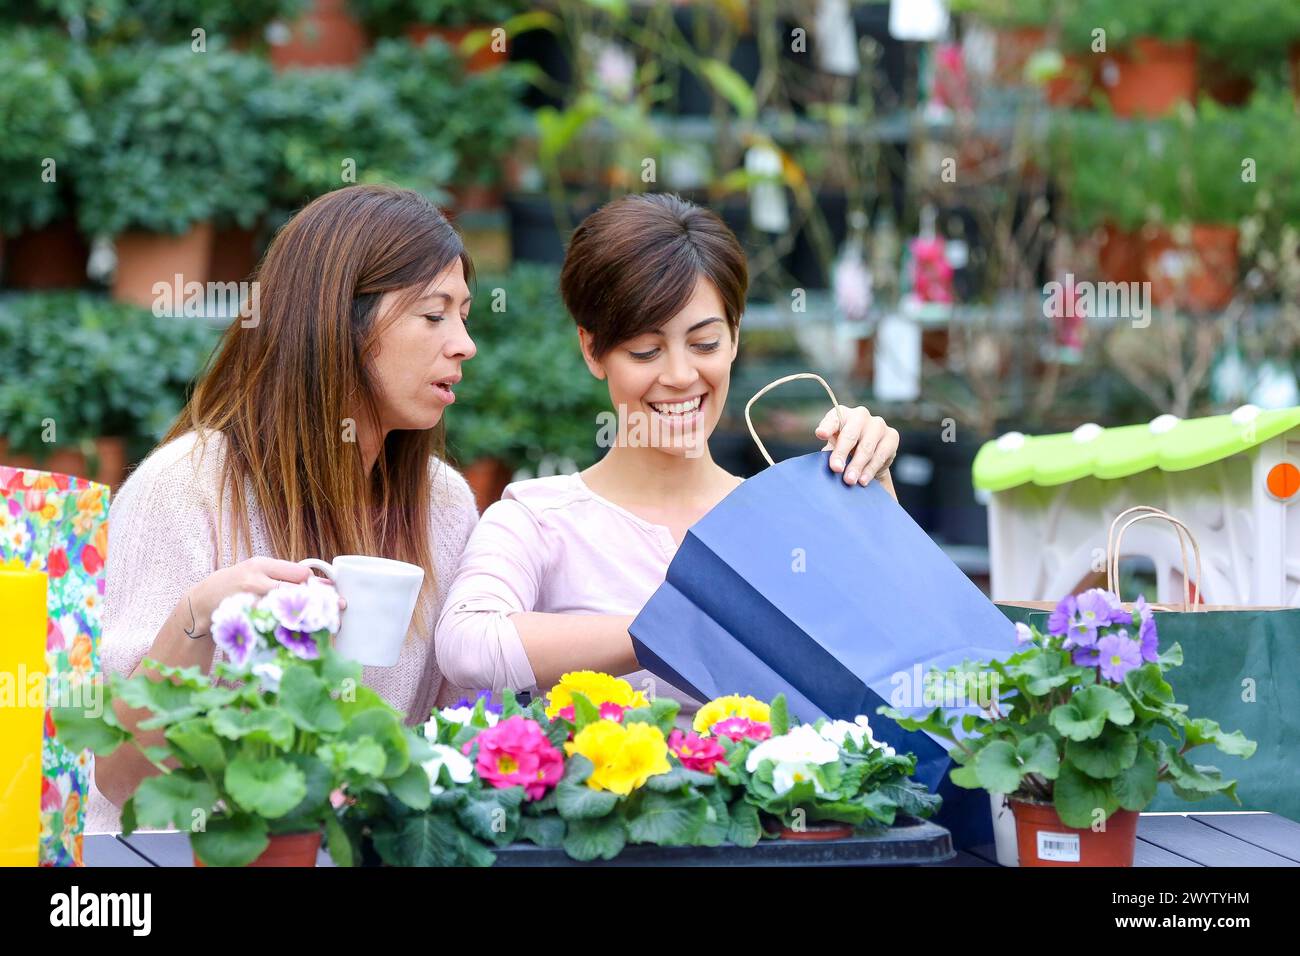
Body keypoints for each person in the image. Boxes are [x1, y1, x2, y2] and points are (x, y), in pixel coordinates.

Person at [87, 185, 484, 832]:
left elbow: (451, 741)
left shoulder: (443, 504)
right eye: (434, 315)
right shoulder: (184, 488)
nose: (464, 344)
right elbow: (119, 773)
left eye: (466, 315)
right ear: (337, 320)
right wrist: (200, 614)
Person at [436, 193, 899, 715]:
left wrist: (876, 508)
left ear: (735, 337)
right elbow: (468, 647)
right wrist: (676, 626)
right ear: (592, 350)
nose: (680, 376)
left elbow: (895, 654)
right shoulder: (538, 519)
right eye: (645, 351)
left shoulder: (789, 516)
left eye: (704, 344)